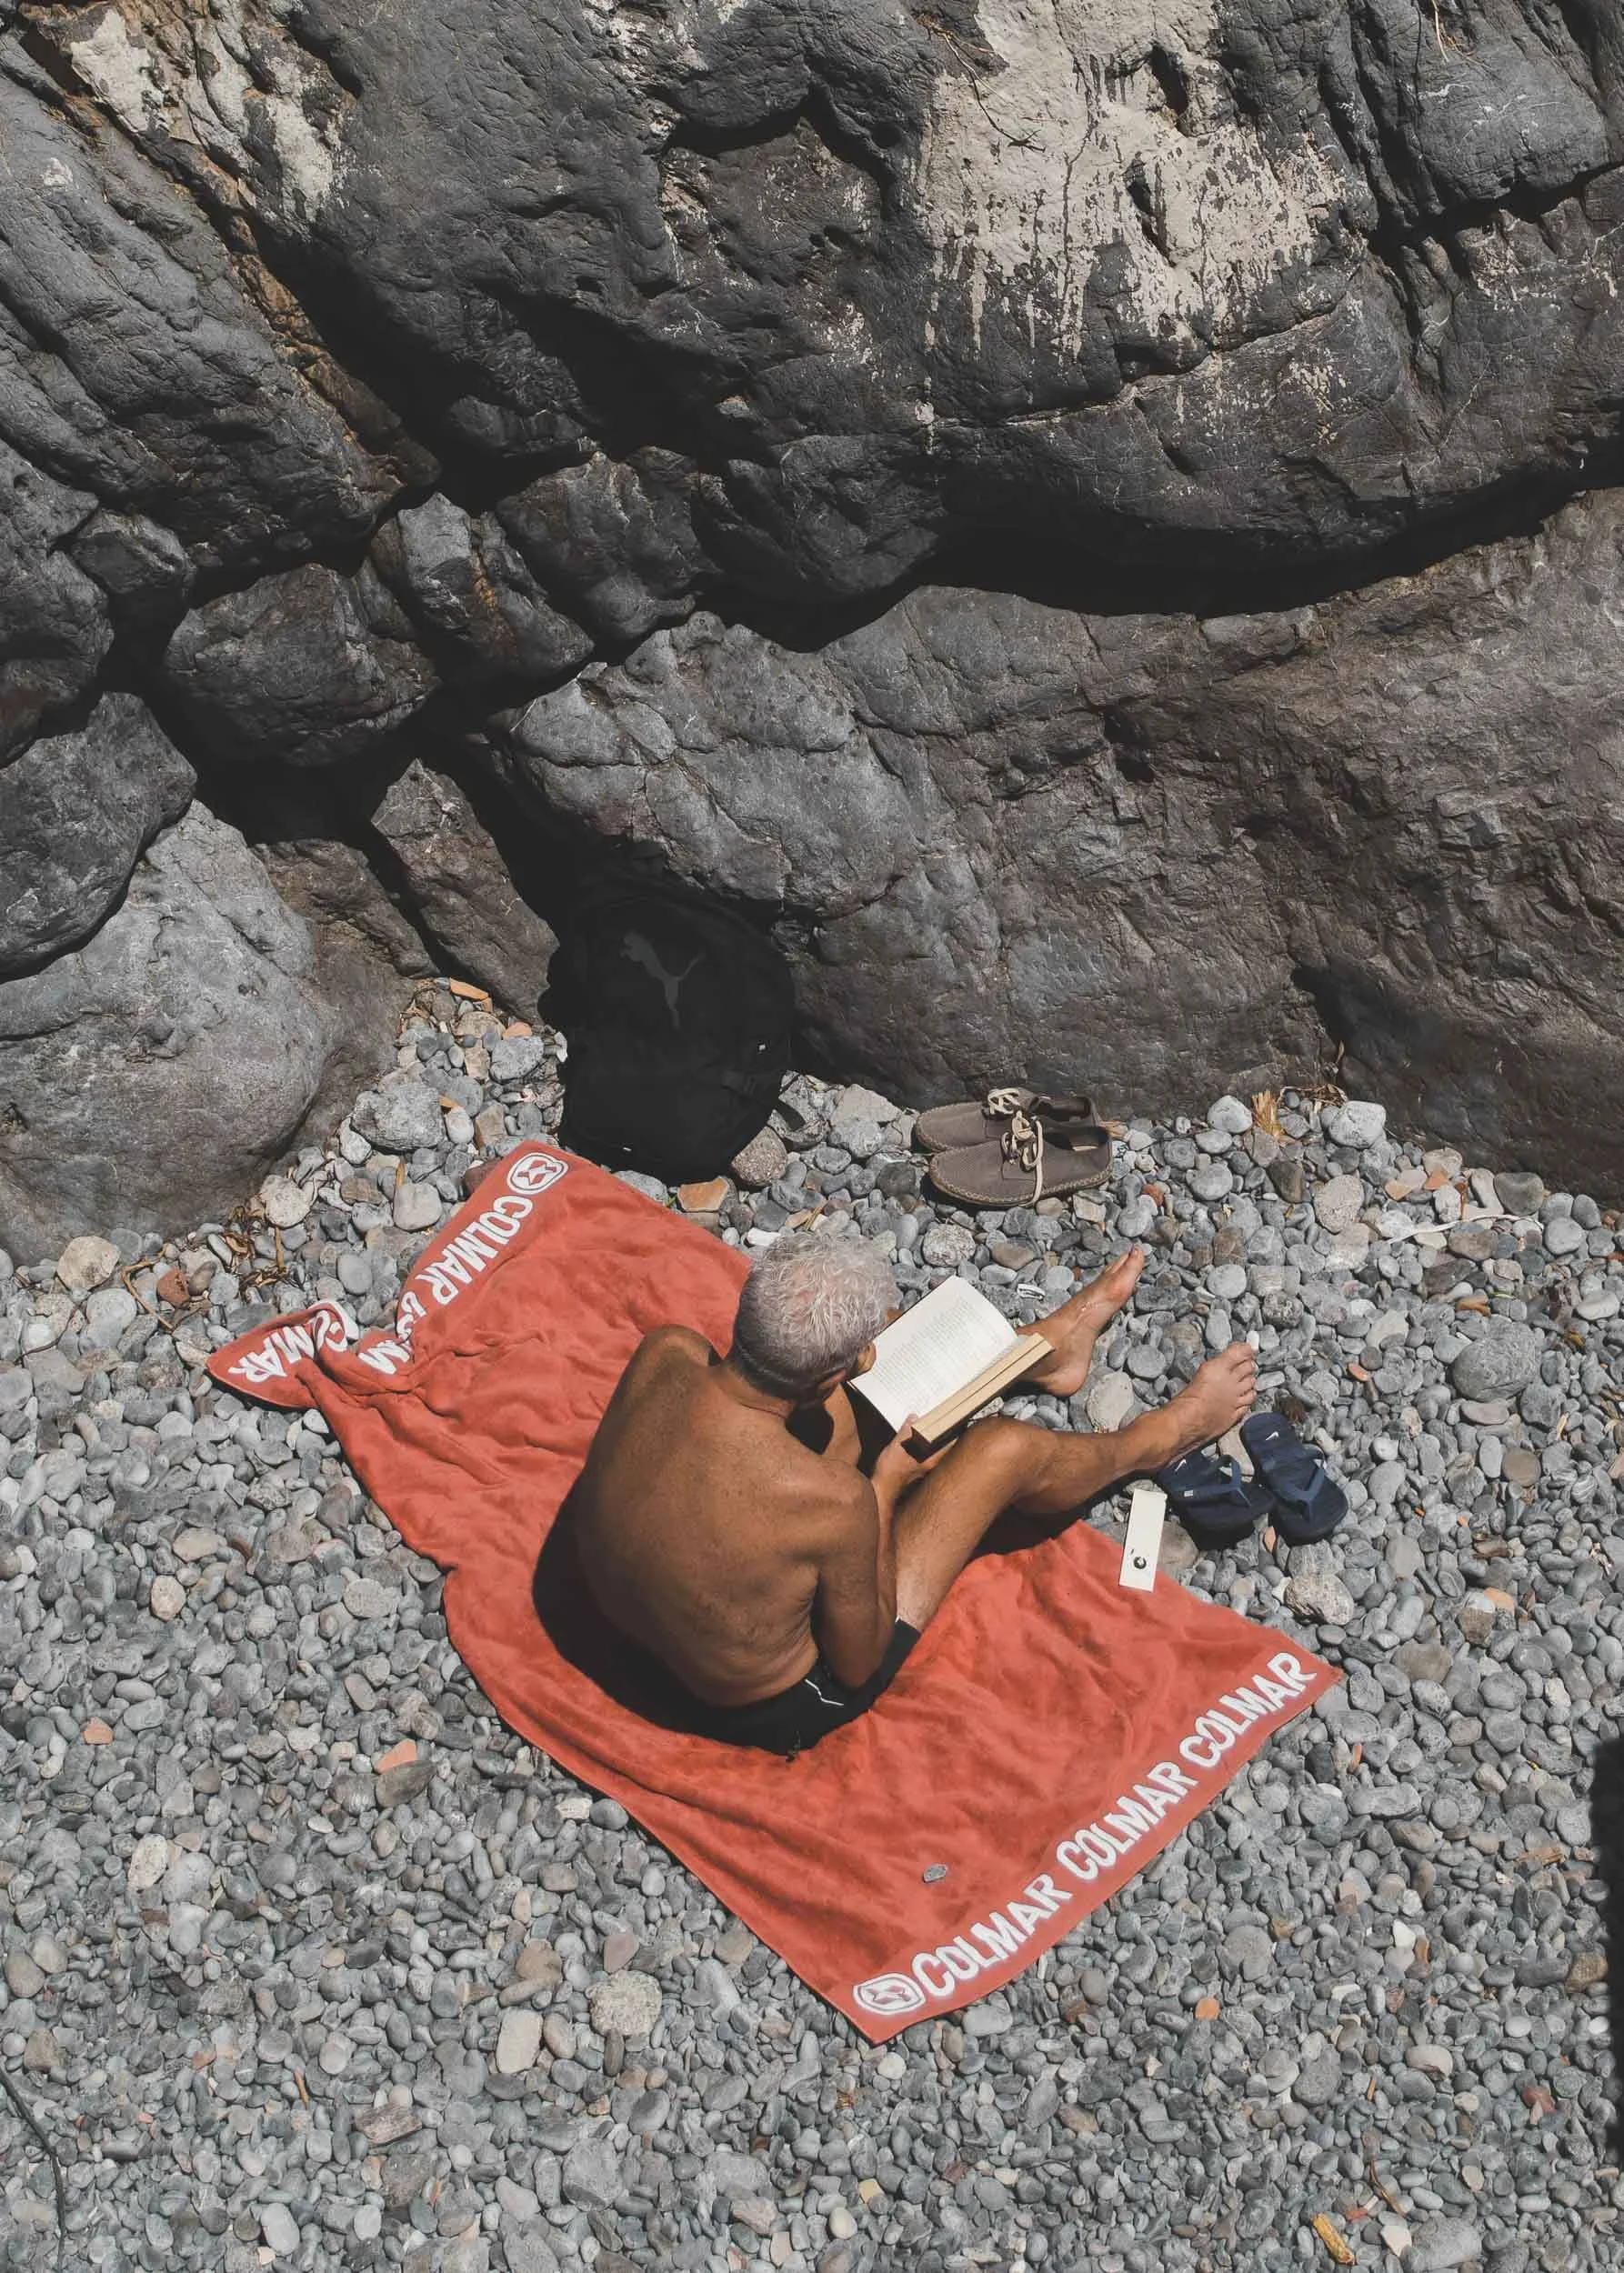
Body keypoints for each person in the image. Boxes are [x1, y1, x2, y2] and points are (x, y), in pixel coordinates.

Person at [570, 1232, 1256, 1754]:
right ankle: (1161, 1438)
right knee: (1001, 1449)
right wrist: (884, 1487)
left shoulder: (666, 1352)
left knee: (871, 1388)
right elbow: (857, 1662)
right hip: (771, 1701)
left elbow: (752, 1435)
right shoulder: (834, 1502)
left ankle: (1041, 1351)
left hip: (635, 1622)